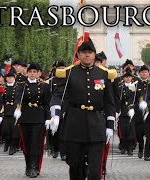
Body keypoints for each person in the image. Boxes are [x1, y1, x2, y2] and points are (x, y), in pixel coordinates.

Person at [49, 38, 116, 180]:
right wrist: (55, 114)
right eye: (83, 52)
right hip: (75, 124)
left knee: (95, 168)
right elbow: (58, 96)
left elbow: (109, 102)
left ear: (94, 55)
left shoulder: (103, 74)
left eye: (90, 52)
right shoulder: (69, 73)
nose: (87, 55)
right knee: (75, 165)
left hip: (97, 124)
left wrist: (110, 124)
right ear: (78, 54)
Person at [13, 62, 51, 178]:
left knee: (36, 144)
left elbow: (46, 103)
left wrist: (48, 118)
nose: (33, 74)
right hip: (25, 117)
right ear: (27, 73)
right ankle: (28, 166)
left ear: (39, 73)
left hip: (39, 118)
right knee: (27, 144)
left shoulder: (44, 86)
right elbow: (18, 98)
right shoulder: (21, 85)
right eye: (30, 72)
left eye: (35, 72)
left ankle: (35, 167)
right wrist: (17, 108)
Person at [2, 70, 20, 155]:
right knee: (6, 129)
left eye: (11, 77)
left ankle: (13, 146)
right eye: (8, 77)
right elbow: (1, 99)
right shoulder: (3, 87)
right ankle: (7, 142)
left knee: (14, 130)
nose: (9, 79)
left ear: (14, 78)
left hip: (14, 109)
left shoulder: (17, 87)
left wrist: (18, 108)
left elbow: (18, 98)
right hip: (6, 109)